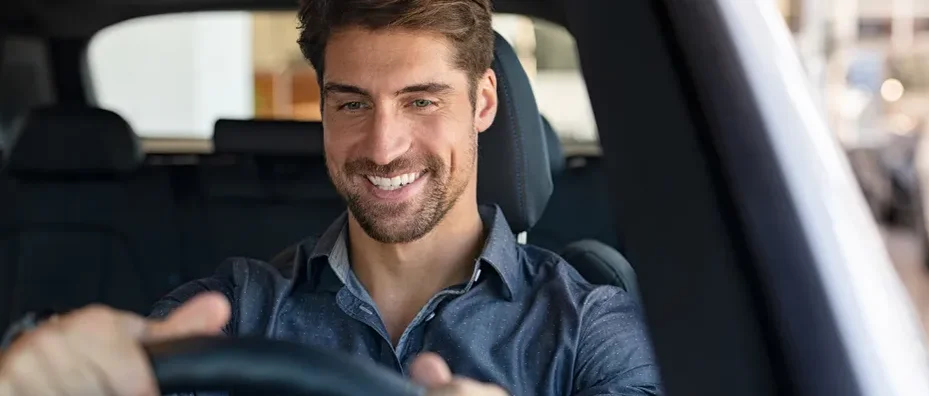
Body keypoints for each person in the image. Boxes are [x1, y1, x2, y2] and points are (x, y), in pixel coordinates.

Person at [0, 0, 661, 395]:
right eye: (351, 103)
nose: (381, 145)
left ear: (482, 101)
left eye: (420, 101)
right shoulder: (234, 312)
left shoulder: (588, 326)